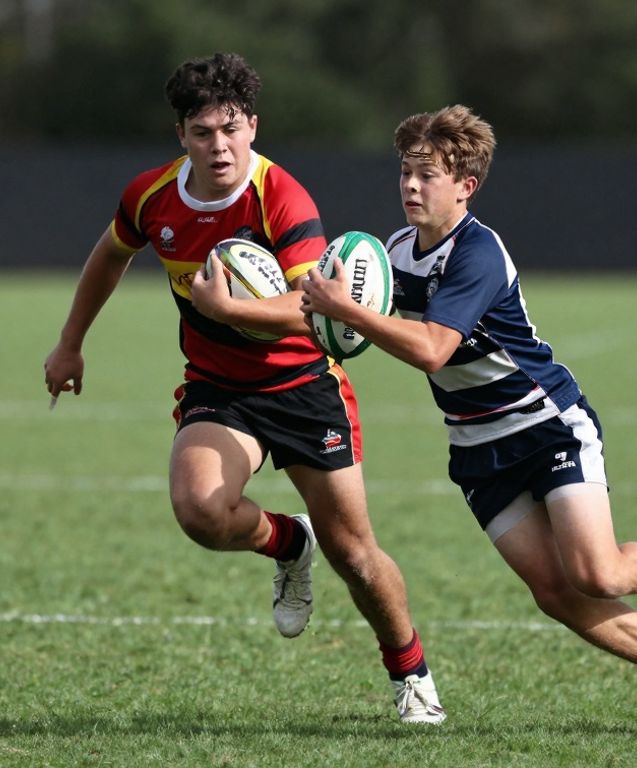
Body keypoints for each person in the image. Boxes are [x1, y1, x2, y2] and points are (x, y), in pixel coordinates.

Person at [300, 104, 637, 737]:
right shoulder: (395, 252)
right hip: (477, 448)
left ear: (466, 186)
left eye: (427, 175)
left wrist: (345, 311)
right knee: (557, 594)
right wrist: (252, 300)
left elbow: (432, 347)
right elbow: (324, 303)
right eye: (405, 172)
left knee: (596, 572)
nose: (410, 186)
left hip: (545, 425)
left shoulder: (478, 253)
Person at [42, 52, 444, 725]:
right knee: (200, 509)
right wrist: (70, 341)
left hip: (304, 384)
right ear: (182, 137)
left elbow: (311, 307)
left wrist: (227, 311)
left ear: (252, 127)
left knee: (357, 556)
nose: (219, 146)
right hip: (219, 389)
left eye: (231, 129)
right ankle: (290, 544)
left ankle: (411, 672)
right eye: (203, 132)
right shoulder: (151, 196)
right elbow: (112, 252)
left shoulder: (281, 196)